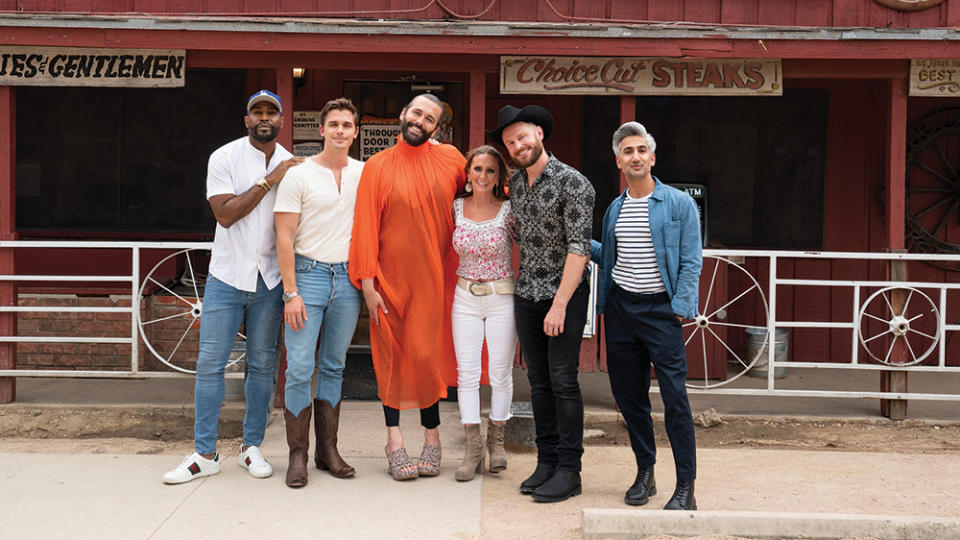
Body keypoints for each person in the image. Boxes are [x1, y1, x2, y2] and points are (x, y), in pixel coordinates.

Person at [163, 89, 304, 484]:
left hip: (271, 279)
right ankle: (204, 453)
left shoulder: (295, 164)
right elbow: (225, 215)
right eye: (256, 111)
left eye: (271, 112)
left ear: (281, 120)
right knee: (210, 364)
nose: (264, 117)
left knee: (262, 365)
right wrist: (268, 181)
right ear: (246, 120)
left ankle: (250, 447)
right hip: (227, 276)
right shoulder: (225, 157)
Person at [348, 94, 466, 481]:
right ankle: (394, 441)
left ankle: (433, 439)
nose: (420, 121)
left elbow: (482, 193)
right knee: (391, 360)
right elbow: (365, 224)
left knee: (426, 356)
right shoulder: (377, 166)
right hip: (388, 281)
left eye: (429, 118)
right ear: (403, 115)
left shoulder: (452, 160)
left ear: (437, 127)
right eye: (416, 112)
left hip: (435, 279)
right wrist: (367, 282)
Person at [590, 121, 702, 510]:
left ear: (652, 158)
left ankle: (685, 487)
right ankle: (645, 473)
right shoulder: (614, 210)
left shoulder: (678, 203)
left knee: (675, 399)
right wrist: (578, 240)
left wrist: (680, 308)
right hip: (621, 310)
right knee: (630, 398)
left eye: (641, 150)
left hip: (661, 311)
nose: (635, 157)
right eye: (627, 152)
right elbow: (611, 257)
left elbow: (691, 260)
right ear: (618, 161)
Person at [488, 105, 595, 503]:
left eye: (522, 137)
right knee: (537, 381)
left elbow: (579, 249)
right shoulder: (515, 184)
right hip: (527, 292)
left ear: (539, 133)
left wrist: (560, 304)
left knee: (564, 380)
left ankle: (570, 470)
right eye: (510, 142)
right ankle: (547, 462)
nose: (518, 145)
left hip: (563, 296)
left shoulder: (574, 183)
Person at [274, 97, 363, 488]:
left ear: (355, 132)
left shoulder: (366, 174)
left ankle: (328, 449)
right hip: (306, 277)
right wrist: (289, 291)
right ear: (322, 130)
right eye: (334, 124)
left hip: (347, 280)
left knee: (334, 366)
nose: (340, 131)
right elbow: (284, 235)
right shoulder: (300, 174)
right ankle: (297, 454)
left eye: (347, 125)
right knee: (298, 367)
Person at [450, 146, 517, 482]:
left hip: (501, 296)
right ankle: (473, 447)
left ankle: (497, 442)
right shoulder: (456, 207)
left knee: (501, 373)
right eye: (478, 169)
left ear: (499, 176)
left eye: (491, 171)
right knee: (467, 373)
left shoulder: (509, 210)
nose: (483, 177)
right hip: (465, 297)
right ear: (468, 172)